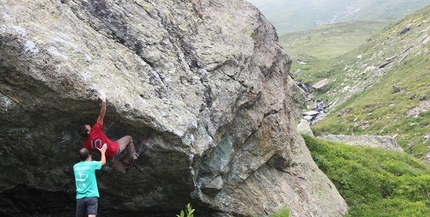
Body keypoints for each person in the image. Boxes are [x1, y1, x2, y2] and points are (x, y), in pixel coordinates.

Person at [78, 94, 139, 173]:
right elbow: (101, 115)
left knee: (114, 163)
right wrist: (103, 101)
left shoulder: (86, 145)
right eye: (88, 126)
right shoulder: (96, 130)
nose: (89, 125)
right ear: (88, 131)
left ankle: (124, 170)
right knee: (129, 138)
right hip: (115, 148)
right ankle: (133, 156)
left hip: (107, 156)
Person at [73, 144, 107, 217]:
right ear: (89, 156)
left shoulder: (75, 167)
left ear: (78, 157)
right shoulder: (92, 164)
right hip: (91, 195)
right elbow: (103, 162)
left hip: (80, 197)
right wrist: (103, 152)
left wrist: (88, 160)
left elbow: (84, 165)